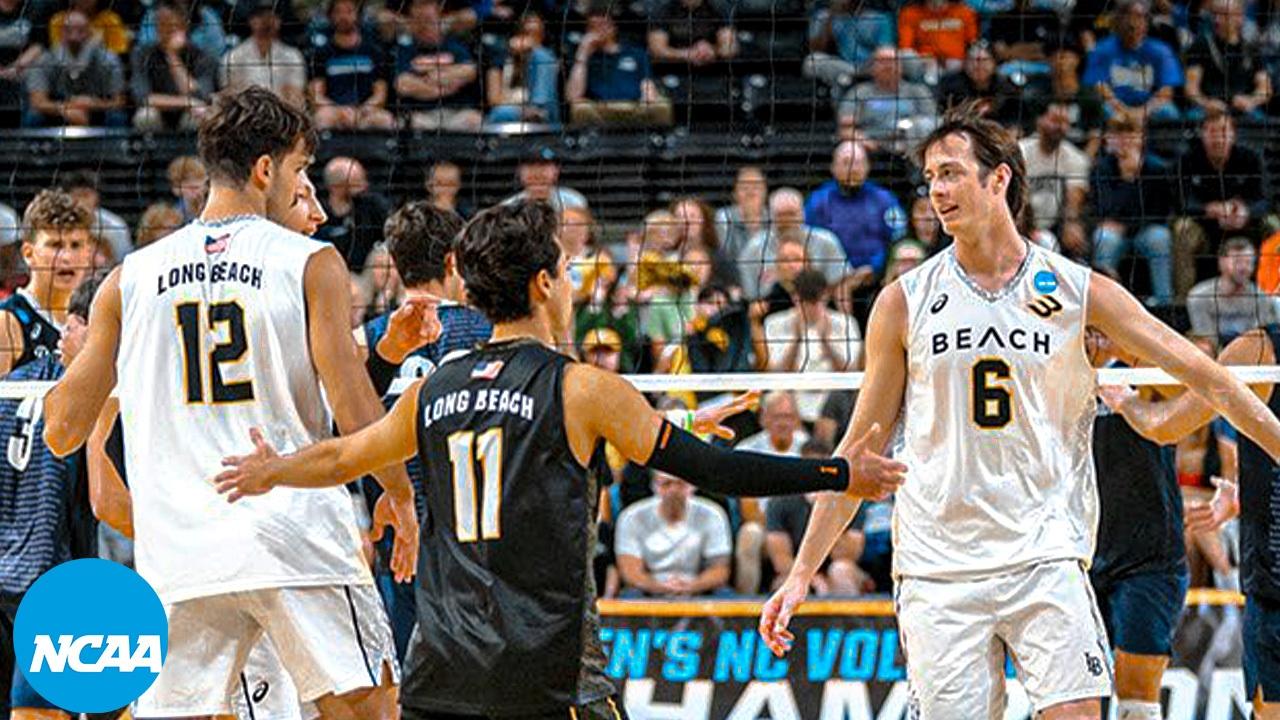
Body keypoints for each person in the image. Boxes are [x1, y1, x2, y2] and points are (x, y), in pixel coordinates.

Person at [210, 200, 908, 719]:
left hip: (443, 673)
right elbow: (714, 470)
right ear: (544, 284)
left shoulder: (433, 392)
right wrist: (839, 471)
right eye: (568, 271)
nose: (572, 284)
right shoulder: (582, 388)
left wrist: (271, 470)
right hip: (545, 673)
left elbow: (341, 456)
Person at [758, 102, 1280, 720]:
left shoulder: (1078, 290)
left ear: (998, 178)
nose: (937, 191)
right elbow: (857, 453)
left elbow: (1211, 379)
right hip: (939, 568)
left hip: (1045, 556)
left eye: (951, 173)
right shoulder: (903, 302)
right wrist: (800, 574)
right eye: (930, 178)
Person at [41, 86, 421, 720]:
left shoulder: (128, 278)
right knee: (370, 712)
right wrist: (399, 496)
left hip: (183, 555)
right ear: (266, 169)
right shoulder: (311, 262)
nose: (301, 183)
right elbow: (355, 407)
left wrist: (104, 369)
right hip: (295, 540)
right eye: (300, 168)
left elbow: (60, 432)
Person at [1100, 325, 1280, 718]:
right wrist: (1243, 488)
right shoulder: (1260, 350)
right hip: (1269, 575)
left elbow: (1170, 420)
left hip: (1162, 558)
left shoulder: (1256, 350)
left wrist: (1128, 395)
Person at [0, 273, 100, 719]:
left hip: (26, 572)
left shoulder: (20, 381)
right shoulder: (92, 396)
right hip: (55, 576)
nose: (62, 333)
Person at [1086, 329, 1188, 720]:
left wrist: (1123, 347)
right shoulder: (1057, 367)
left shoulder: (1148, 371)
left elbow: (1193, 388)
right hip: (1077, 553)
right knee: (1075, 698)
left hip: (1149, 557)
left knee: (1137, 699)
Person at [1172, 109, 1269, 299]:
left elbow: (1265, 200)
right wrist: (1209, 209)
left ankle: (1272, 294)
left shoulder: (1251, 157)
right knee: (1182, 229)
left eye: (1223, 131)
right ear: (1202, 134)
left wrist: (1245, 212)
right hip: (1204, 224)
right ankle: (1182, 302)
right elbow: (1181, 202)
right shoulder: (1187, 159)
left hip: (1246, 223)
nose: (1218, 139)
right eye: (1212, 132)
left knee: (1274, 227)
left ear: (1233, 134)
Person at [0, 189, 93, 377]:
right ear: (28, 253)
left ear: (88, 253)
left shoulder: (94, 316)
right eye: (55, 245)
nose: (66, 257)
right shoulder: (7, 322)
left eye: (75, 245)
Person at [1089, 113, 1174, 306]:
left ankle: (1165, 303)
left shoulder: (1156, 168)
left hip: (1146, 230)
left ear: (1141, 138)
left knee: (1159, 238)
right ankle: (1103, 304)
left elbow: (1159, 211)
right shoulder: (1102, 168)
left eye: (1130, 134)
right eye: (1118, 134)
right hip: (1117, 233)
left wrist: (1127, 225)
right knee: (1104, 237)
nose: (1124, 141)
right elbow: (1105, 208)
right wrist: (1128, 178)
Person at [615, 472, 733, 597]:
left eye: (680, 484)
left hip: (698, 587)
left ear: (692, 486)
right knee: (629, 595)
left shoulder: (713, 514)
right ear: (654, 486)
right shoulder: (632, 517)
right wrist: (661, 587)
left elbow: (720, 570)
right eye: (666, 484)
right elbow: (631, 573)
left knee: (726, 595)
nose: (673, 490)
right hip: (648, 589)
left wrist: (690, 586)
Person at [566, 4, 672, 128]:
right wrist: (583, 53)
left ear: (613, 27)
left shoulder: (636, 53)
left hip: (634, 107)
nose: (599, 30)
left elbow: (647, 84)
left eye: (603, 25)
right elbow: (573, 96)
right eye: (593, 27)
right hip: (600, 108)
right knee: (579, 107)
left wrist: (648, 98)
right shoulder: (583, 57)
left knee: (662, 105)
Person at [1082, 0, 1183, 123]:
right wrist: (1126, 112)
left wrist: (1141, 112)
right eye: (1129, 18)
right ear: (1118, 22)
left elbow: (1166, 91)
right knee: (1102, 109)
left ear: (1147, 23)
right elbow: (1100, 88)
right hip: (1115, 107)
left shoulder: (1161, 50)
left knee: (1169, 111)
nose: (1134, 24)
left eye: (1140, 18)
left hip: (1148, 107)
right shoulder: (1101, 49)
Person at [23, 9, 127, 128]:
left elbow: (120, 102)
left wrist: (93, 104)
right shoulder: (45, 60)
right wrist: (65, 109)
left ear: (90, 33)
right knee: (33, 117)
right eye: (68, 30)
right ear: (61, 33)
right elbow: (37, 102)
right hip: (57, 113)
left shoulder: (108, 60)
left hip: (97, 112)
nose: (74, 37)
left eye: (81, 31)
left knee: (117, 117)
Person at [392, 0, 482, 132]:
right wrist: (443, 88)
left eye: (429, 21)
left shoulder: (454, 45)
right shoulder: (405, 49)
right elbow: (402, 84)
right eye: (420, 21)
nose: (425, 26)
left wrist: (431, 78)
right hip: (420, 114)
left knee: (473, 119)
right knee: (409, 123)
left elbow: (469, 72)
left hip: (456, 112)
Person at [130, 2, 218, 131]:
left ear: (184, 26)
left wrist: (172, 56)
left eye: (171, 25)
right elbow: (143, 98)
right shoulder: (142, 55)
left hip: (188, 115)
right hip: (159, 113)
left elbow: (201, 97)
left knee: (198, 116)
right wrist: (187, 102)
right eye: (161, 24)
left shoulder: (203, 57)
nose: (164, 31)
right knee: (145, 117)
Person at [310, 0, 396, 130]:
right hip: (334, 111)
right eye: (338, 12)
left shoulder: (374, 51)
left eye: (349, 11)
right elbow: (316, 95)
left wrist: (363, 110)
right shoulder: (321, 53)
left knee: (386, 120)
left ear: (358, 14)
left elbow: (380, 93)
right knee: (321, 118)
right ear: (330, 16)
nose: (343, 16)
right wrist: (340, 111)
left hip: (367, 112)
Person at [1020, 102, 1090, 259]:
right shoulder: (1021, 151)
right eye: (1055, 120)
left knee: (1055, 241)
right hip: (1021, 222)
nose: (1060, 127)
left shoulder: (1075, 157)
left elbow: (1075, 195)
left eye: (1065, 123)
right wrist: (1026, 228)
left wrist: (1071, 223)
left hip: (1056, 226)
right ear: (1039, 121)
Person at [1186, 238, 1280, 345]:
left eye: (1248, 262)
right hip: (1212, 353)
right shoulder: (1199, 297)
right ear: (1221, 262)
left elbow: (1261, 343)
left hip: (1249, 351)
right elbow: (1205, 341)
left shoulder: (1261, 298)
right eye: (1237, 262)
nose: (1243, 268)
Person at [220, 1, 307, 108]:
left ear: (279, 20)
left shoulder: (293, 56)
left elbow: (295, 97)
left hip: (282, 113)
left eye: (272, 15)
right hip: (246, 114)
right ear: (250, 20)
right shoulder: (233, 57)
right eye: (261, 15)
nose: (267, 20)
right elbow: (231, 97)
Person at [316, 156, 395, 272]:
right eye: (357, 182)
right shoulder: (318, 213)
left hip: (366, 273)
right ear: (336, 187)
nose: (365, 185)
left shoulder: (372, 207)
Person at [61, 169, 132, 261]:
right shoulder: (55, 223)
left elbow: (123, 260)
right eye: (76, 195)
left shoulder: (116, 226)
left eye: (85, 195)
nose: (81, 202)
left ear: (97, 197)